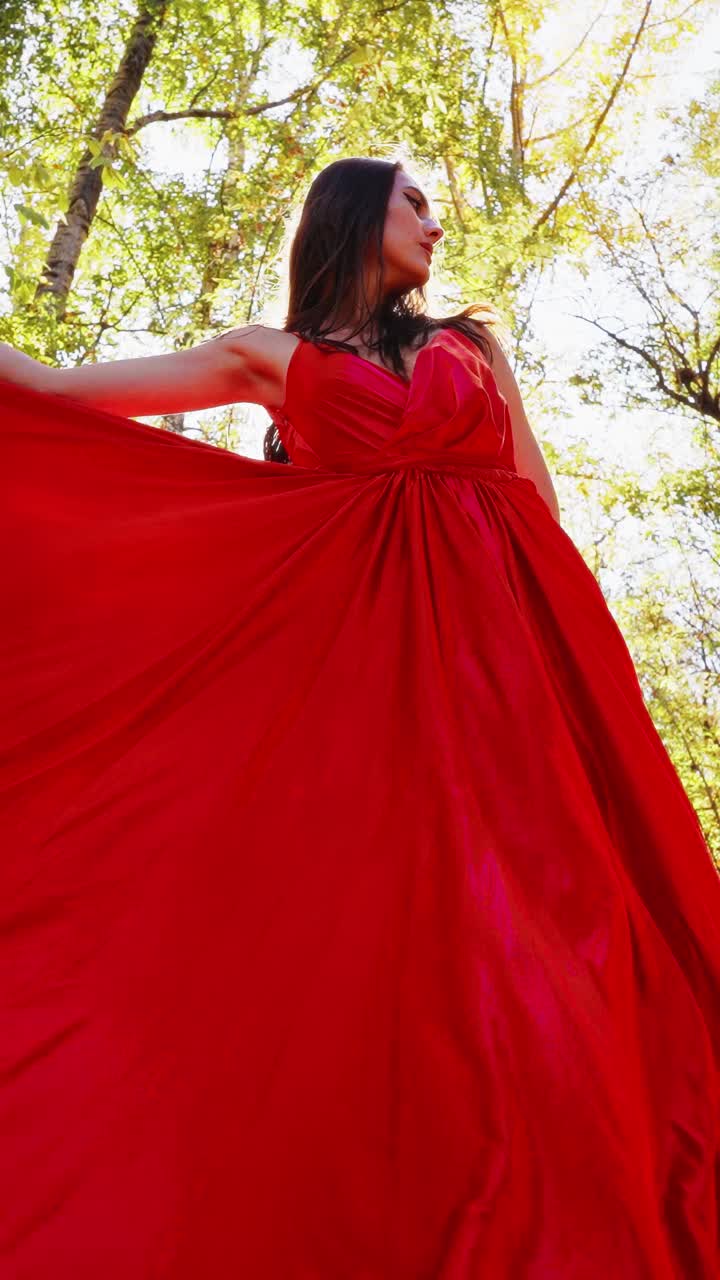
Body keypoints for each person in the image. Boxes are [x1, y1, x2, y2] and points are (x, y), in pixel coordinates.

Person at [0, 154, 718, 1279]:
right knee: (402, 940)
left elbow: (537, 499)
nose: (435, 225)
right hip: (375, 690)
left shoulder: (472, 347)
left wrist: (591, 674)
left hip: (514, 674)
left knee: (563, 926)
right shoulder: (272, 360)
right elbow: (54, 394)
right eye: (414, 202)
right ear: (351, 212)